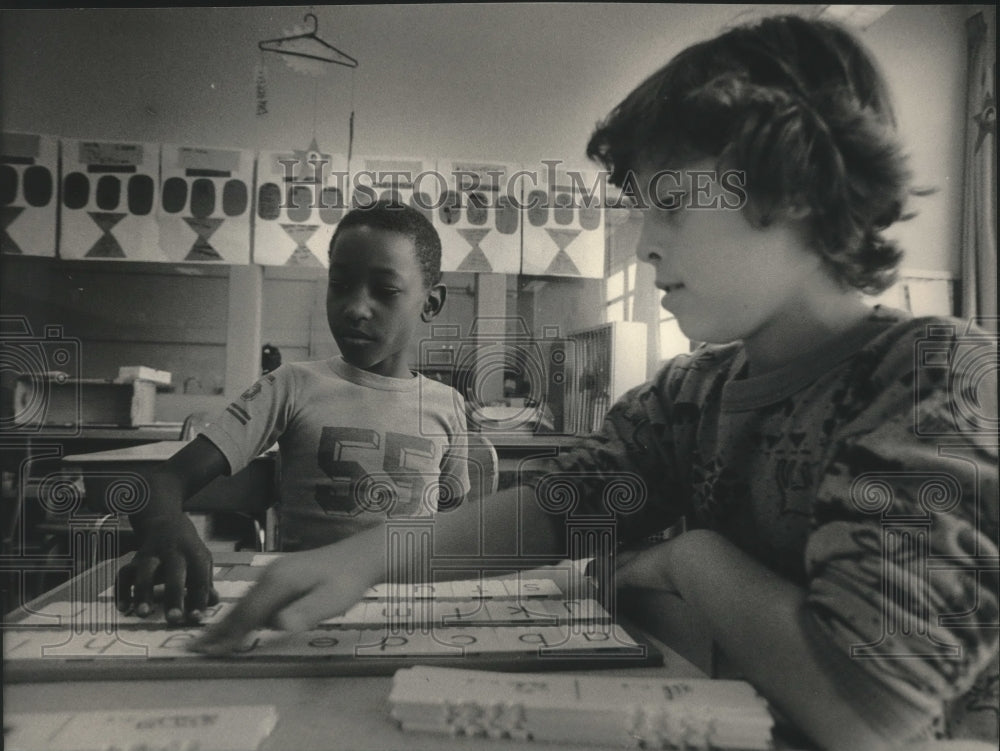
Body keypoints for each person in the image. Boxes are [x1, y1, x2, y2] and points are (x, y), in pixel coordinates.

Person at [193, 15, 998, 750]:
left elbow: (872, 709)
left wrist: (691, 558)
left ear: (793, 190)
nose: (644, 245)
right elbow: (557, 508)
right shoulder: (696, 393)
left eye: (671, 206)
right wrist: (367, 557)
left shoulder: (936, 380)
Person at [118, 201, 470, 624]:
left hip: (407, 611)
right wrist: (165, 527)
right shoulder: (291, 385)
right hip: (303, 608)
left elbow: (452, 528)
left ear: (431, 303)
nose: (356, 308)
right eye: (339, 284)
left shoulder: (447, 405)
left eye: (385, 290)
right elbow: (164, 480)